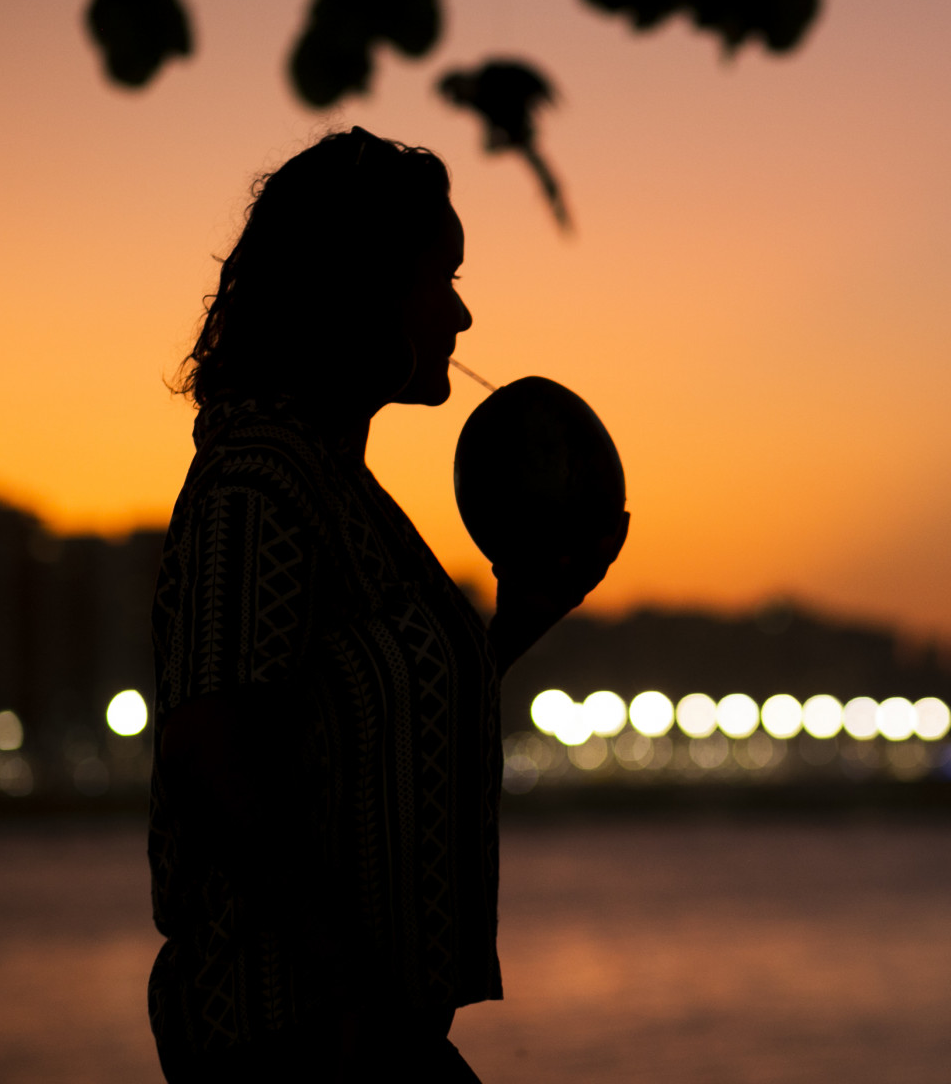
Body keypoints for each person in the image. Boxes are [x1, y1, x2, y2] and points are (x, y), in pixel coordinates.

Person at [147, 128, 626, 1082]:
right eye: (439, 277)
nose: (461, 313)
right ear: (359, 291)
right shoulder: (260, 481)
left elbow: (355, 725)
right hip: (292, 1041)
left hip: (373, 1034)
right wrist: (349, 988)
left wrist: (520, 622)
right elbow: (219, 750)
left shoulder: (337, 484)